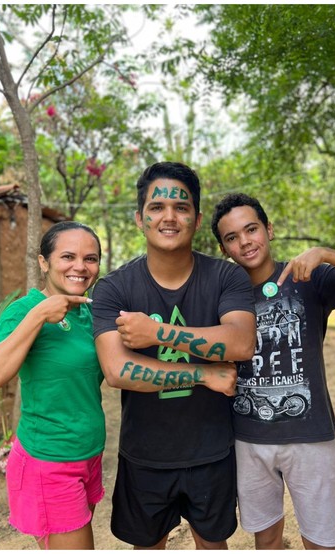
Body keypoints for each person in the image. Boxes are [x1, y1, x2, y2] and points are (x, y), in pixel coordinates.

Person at [210, 192, 335, 550]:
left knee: (320, 541)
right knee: (266, 538)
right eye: (232, 237)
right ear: (224, 249)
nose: (245, 242)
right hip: (248, 438)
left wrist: (327, 254)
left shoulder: (308, 279)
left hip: (311, 437)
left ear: (269, 230)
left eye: (251, 229)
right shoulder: (222, 294)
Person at [91, 162, 256, 549]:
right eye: (157, 207)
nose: (169, 217)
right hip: (144, 455)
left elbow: (241, 343)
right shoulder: (114, 288)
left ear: (197, 219)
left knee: (213, 544)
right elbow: (117, 370)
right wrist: (203, 375)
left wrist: (156, 332)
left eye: (181, 208)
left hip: (212, 452)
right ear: (139, 218)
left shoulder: (226, 277)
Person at [0, 221, 103, 549]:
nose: (80, 266)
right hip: (49, 460)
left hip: (88, 454)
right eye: (68, 256)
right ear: (44, 262)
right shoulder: (21, 311)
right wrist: (38, 315)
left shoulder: (90, 314)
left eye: (91, 258)